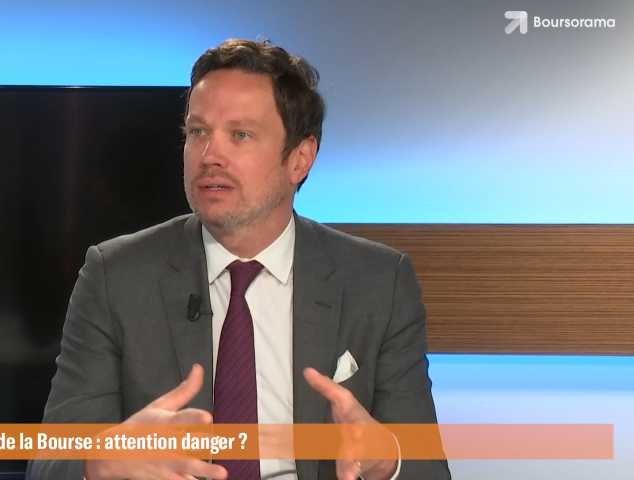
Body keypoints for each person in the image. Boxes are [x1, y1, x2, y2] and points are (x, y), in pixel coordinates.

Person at [27, 39, 450, 480]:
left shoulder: (379, 282)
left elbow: (428, 470)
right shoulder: (116, 276)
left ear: (299, 159)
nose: (210, 155)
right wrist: (100, 462)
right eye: (198, 132)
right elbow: (48, 465)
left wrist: (387, 459)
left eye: (240, 135)